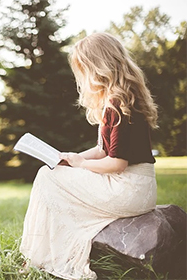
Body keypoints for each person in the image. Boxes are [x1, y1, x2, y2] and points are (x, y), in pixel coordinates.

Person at [19, 32, 159, 280]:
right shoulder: (124, 97)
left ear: (98, 66)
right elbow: (103, 151)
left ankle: (39, 257)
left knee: (46, 177)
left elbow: (116, 163)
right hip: (141, 187)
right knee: (54, 173)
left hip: (127, 188)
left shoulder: (116, 103)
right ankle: (43, 254)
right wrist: (72, 158)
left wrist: (82, 164)